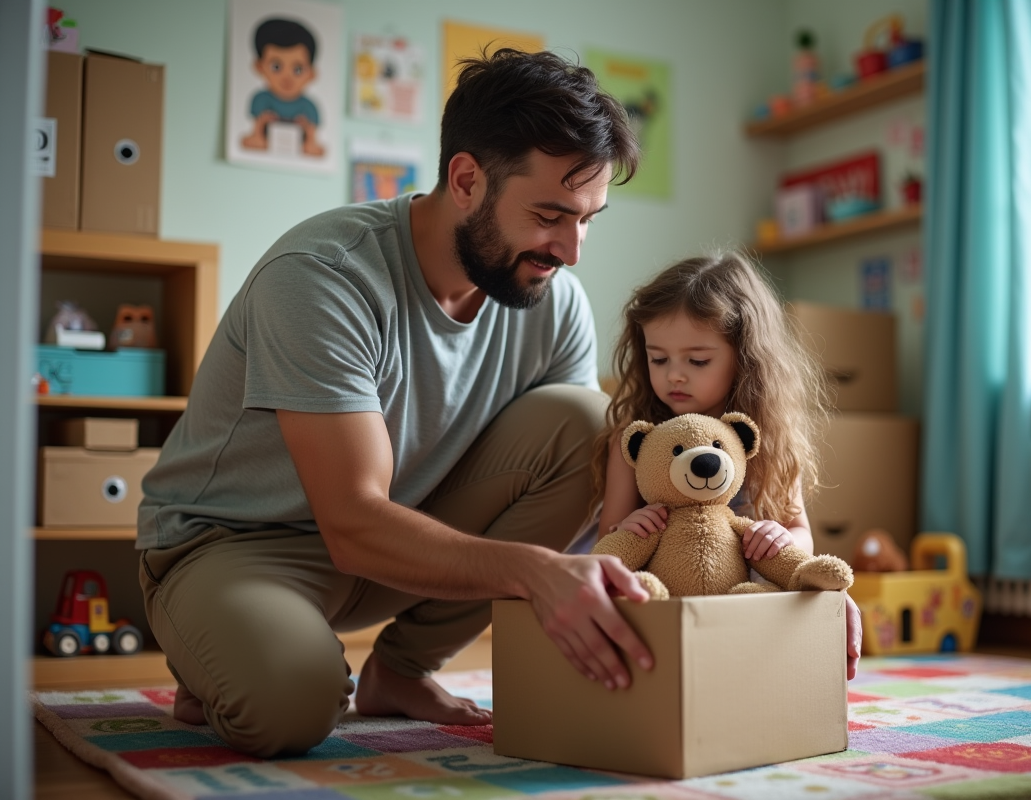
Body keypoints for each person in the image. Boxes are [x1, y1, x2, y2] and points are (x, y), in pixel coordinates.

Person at [138, 49, 656, 758]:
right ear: (467, 179)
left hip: (400, 544)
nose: (571, 249)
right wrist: (535, 572)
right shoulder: (323, 277)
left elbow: (594, 484)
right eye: (548, 215)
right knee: (290, 707)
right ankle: (223, 642)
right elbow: (351, 522)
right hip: (236, 545)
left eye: (589, 219)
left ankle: (401, 670)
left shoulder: (552, 297)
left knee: (589, 427)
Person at [590, 250, 864, 678]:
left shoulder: (766, 438)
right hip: (666, 607)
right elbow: (608, 540)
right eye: (658, 358)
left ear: (745, 356)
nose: (674, 375)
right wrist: (629, 528)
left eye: (697, 361)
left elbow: (800, 533)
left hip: (748, 607)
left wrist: (781, 537)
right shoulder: (638, 439)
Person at [240, 17, 325, 156]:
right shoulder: (261, 99)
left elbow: (314, 144)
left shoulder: (309, 107)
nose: (287, 77)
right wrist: (261, 127)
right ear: (259, 66)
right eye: (276, 66)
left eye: (297, 69)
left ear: (311, 74)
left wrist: (308, 137)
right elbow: (254, 136)